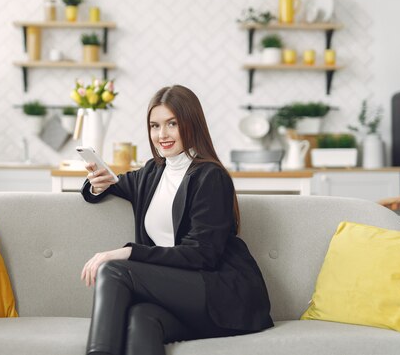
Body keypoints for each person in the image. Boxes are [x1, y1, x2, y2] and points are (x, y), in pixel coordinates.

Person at [80, 85, 273, 355]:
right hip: (178, 294)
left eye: (172, 124)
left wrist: (127, 252)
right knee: (141, 318)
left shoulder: (210, 176)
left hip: (218, 293)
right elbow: (111, 184)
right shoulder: (152, 173)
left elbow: (201, 255)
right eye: (154, 126)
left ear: (191, 124)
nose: (162, 135)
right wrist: (96, 185)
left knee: (113, 269)